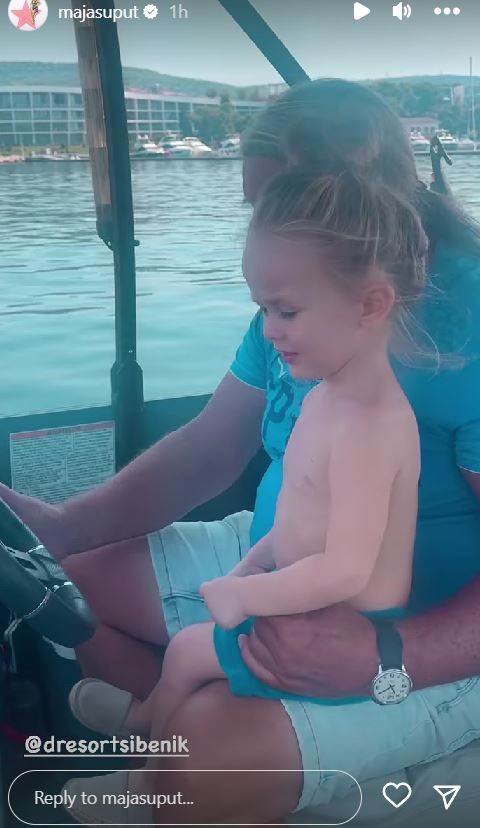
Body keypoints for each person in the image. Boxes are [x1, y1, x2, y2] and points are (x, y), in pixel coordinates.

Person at [2, 79, 480, 824]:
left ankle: (191, 766)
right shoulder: (303, 296)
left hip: (424, 620)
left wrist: (388, 655)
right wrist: (65, 526)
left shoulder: (464, 323)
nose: (262, 227)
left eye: (276, 204)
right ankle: (165, 744)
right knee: (70, 590)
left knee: (205, 762)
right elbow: (209, 448)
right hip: (283, 546)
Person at [63, 167, 425, 823]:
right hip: (300, 593)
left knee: (188, 653)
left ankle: (148, 777)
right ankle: (148, 729)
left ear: (370, 305)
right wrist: (251, 566)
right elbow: (301, 520)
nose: (269, 329)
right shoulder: (327, 395)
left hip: (344, 628)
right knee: (185, 654)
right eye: (262, 309)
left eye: (286, 311)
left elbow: (348, 570)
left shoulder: (373, 426)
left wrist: (245, 596)